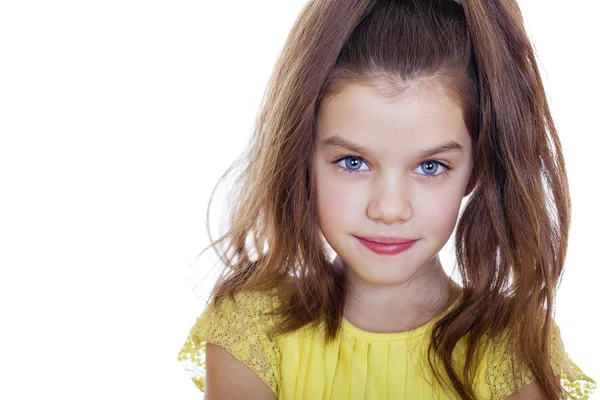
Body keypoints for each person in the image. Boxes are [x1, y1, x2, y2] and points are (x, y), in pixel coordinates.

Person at [177, 0, 597, 398]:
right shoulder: (251, 331)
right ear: (300, 156)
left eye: (430, 167)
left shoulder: (512, 347)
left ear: (477, 169)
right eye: (353, 162)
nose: (389, 209)